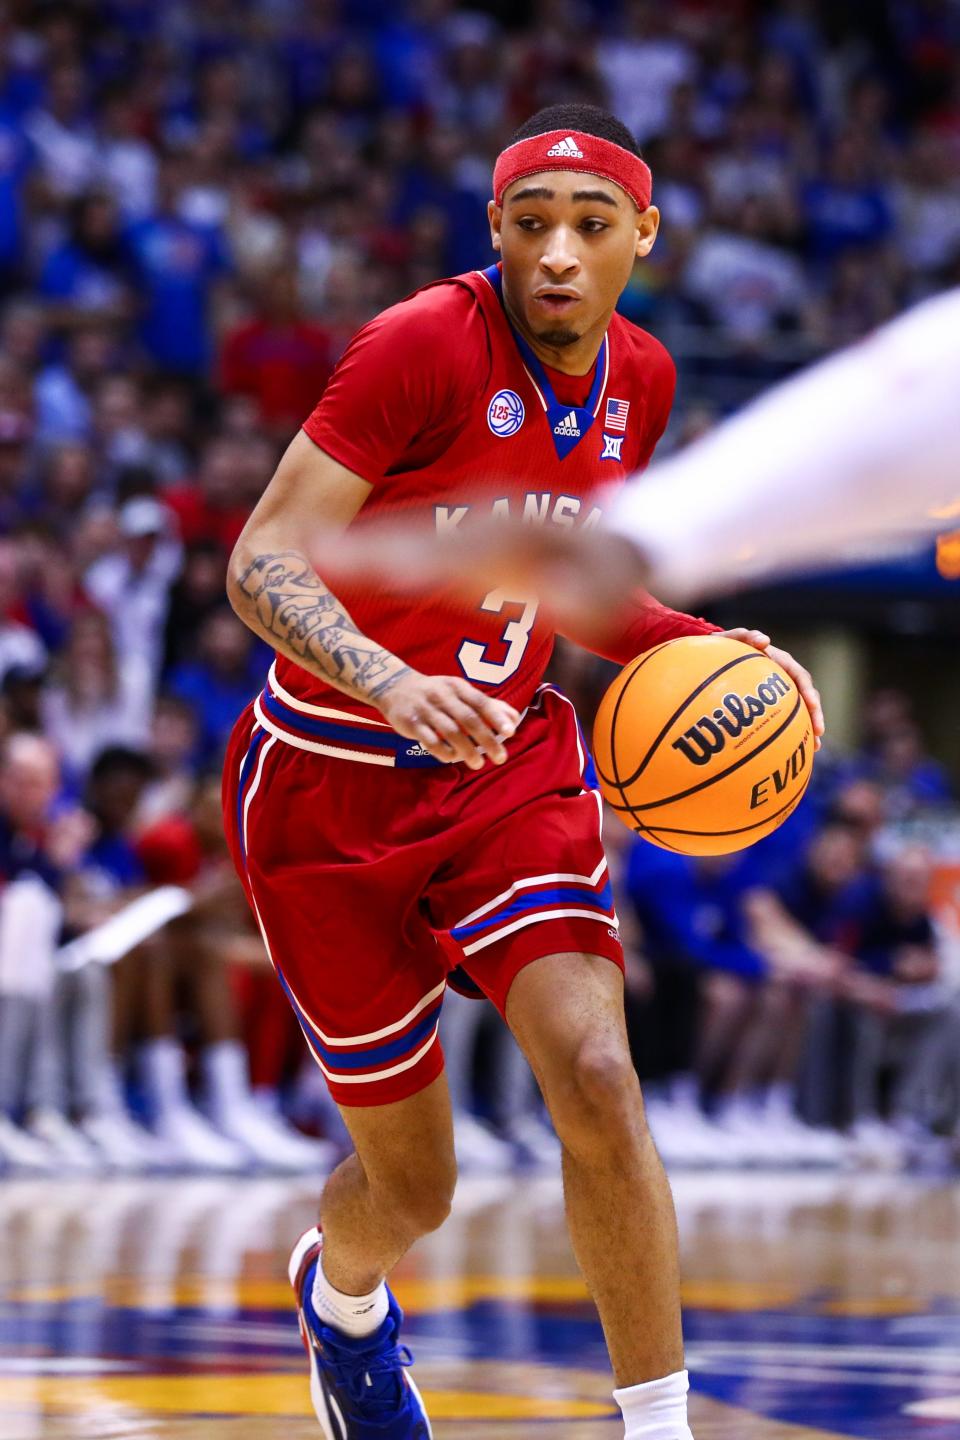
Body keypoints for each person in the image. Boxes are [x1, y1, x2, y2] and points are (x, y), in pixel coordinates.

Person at [223, 104, 822, 1440]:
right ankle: (346, 1300)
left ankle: (658, 1427)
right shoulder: (422, 343)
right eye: (532, 224)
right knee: (416, 1187)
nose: (558, 252)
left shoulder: (646, 381)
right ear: (496, 229)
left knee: (600, 1079)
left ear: (642, 240)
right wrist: (388, 679)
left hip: (509, 766)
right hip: (328, 786)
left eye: (591, 227)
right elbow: (261, 559)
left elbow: (574, 587)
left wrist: (702, 648)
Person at [313, 284, 960, 628]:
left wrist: (635, 542)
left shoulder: (643, 369)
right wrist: (633, 541)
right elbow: (891, 422)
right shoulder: (426, 335)